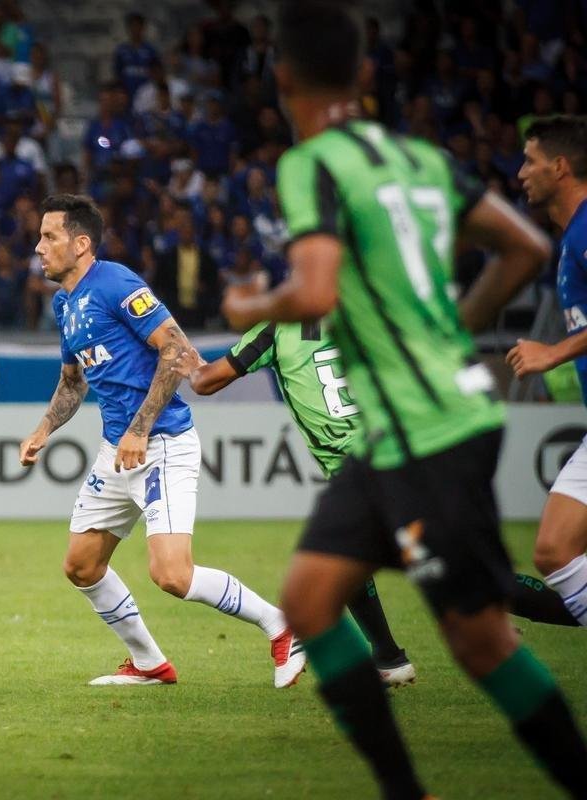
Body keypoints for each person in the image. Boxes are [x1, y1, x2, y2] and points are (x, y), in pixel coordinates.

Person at [220, 5, 586, 797]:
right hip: (416, 425)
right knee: (311, 598)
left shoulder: (310, 163)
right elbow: (524, 246)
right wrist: (456, 331)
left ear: (282, 80)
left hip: (425, 432)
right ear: (364, 75)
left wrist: (251, 308)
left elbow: (313, 286)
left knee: (481, 639)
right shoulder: (417, 157)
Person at [19, 194, 305, 688]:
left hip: (162, 444)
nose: (39, 247)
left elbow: (176, 351)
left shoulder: (117, 283)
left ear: (81, 243)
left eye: (50, 236)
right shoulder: (65, 303)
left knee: (173, 575)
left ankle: (280, 626)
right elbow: (72, 382)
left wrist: (140, 428)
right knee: (82, 566)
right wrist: (44, 428)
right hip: (117, 452)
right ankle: (149, 662)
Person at [185, 321, 416, 685]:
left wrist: (180, 355)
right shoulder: (357, 307)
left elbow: (204, 381)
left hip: (363, 468)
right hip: (398, 451)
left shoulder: (278, 328)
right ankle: (388, 658)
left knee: (319, 579)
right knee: (345, 562)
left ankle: (370, 670)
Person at [506, 114, 587, 627]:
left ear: (559, 166)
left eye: (530, 161)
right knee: (554, 550)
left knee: (555, 548)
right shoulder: (571, 237)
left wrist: (552, 353)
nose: (520, 173)